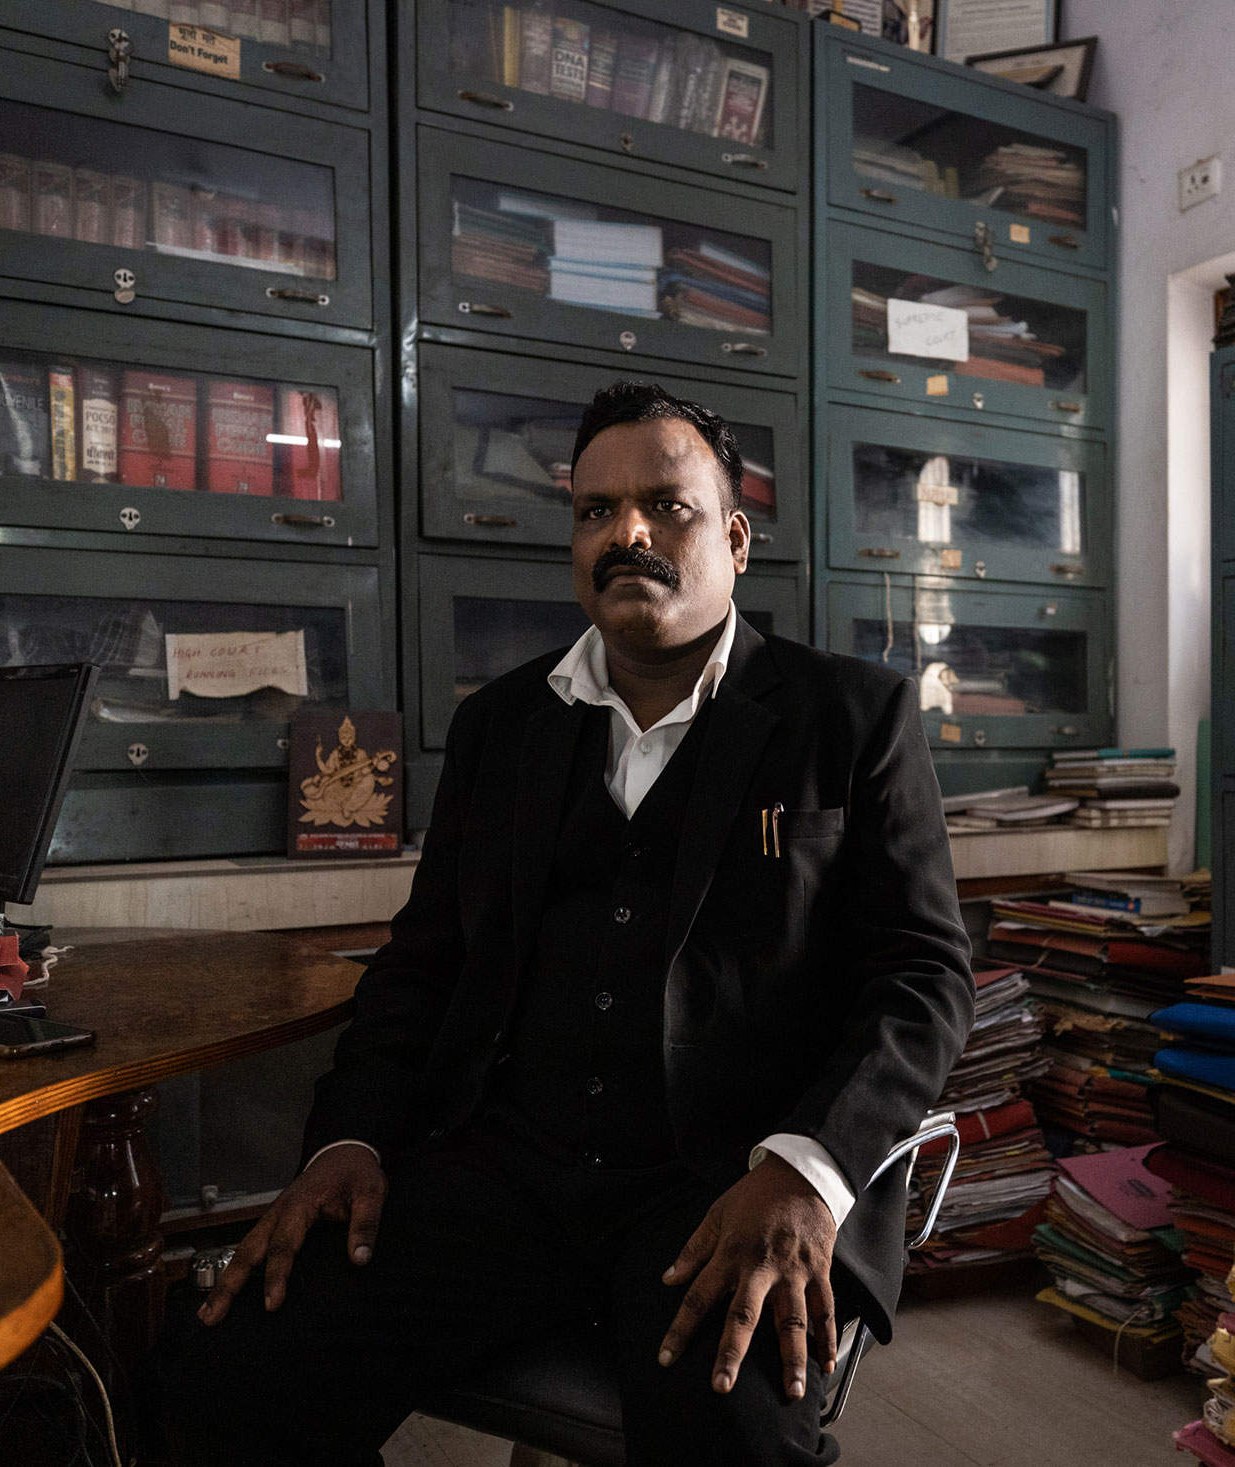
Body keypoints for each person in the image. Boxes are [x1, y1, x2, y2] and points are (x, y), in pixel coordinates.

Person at [164, 381, 974, 1465]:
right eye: (595, 511)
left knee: (734, 1430)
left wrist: (805, 1172)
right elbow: (424, 965)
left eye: (665, 507)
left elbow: (923, 978)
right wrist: (348, 1141)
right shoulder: (500, 727)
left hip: (723, 1183)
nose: (626, 533)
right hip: (501, 1173)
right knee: (232, 1363)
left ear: (733, 539)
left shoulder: (851, 717)